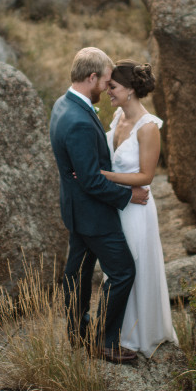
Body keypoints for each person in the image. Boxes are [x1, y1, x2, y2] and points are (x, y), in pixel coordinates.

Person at [49, 47, 149, 365]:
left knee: (76, 273)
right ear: (92, 77)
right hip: (93, 214)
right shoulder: (78, 120)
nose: (107, 87)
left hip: (76, 210)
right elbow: (91, 181)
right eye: (105, 80)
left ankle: (77, 333)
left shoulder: (63, 104)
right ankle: (103, 342)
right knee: (122, 273)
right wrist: (127, 196)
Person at [101, 60, 178, 357]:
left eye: (114, 87)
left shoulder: (149, 128)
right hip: (117, 204)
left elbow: (146, 176)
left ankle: (137, 334)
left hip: (137, 209)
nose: (109, 92)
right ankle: (113, 331)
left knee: (133, 266)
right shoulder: (118, 116)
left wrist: (103, 177)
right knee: (116, 269)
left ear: (131, 90)